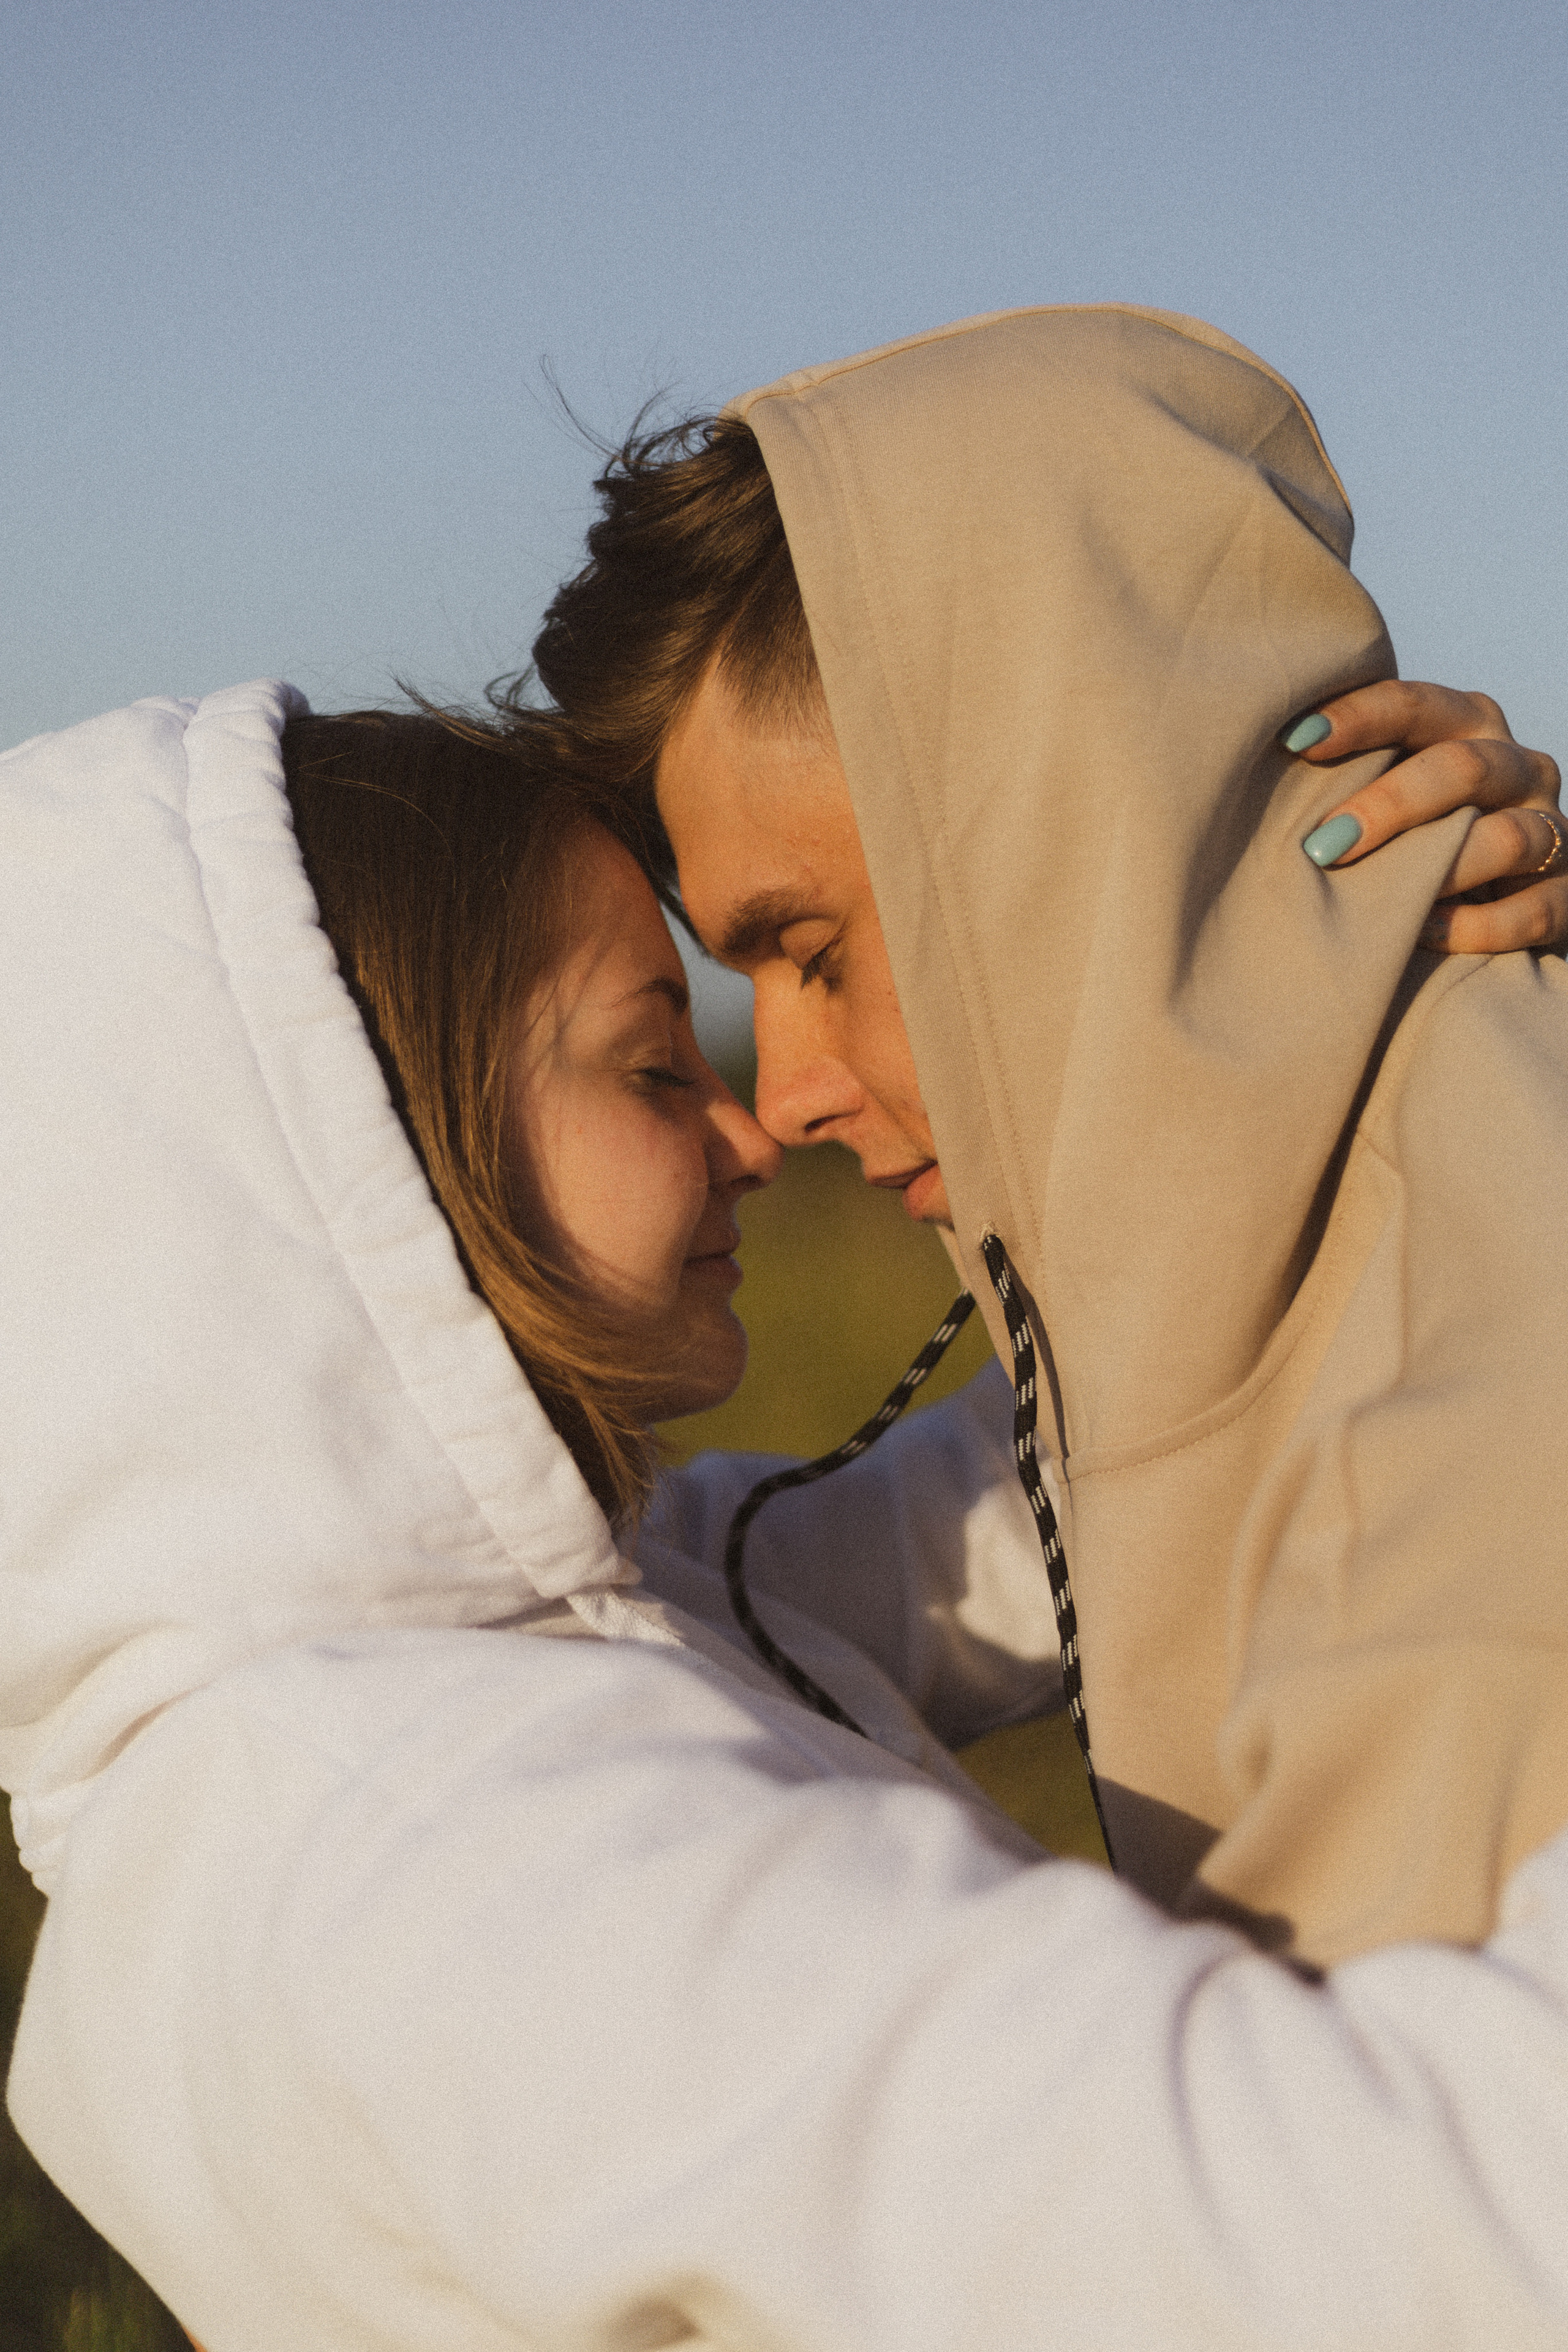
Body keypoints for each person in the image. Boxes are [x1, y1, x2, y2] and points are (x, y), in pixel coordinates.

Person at [4, 679, 1567, 2348]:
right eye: (652, 1064)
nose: (756, 1131)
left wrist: (1403, 1044)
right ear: (362, 1152)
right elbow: (1393, 2238)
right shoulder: (456, 1854)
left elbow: (1007, 1519)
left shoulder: (427, 1663)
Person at [528, 303, 1568, 1968]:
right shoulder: (1273, 1271)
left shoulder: (1465, 1481)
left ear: (1077, 818)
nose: (778, 1094)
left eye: (812, 954)